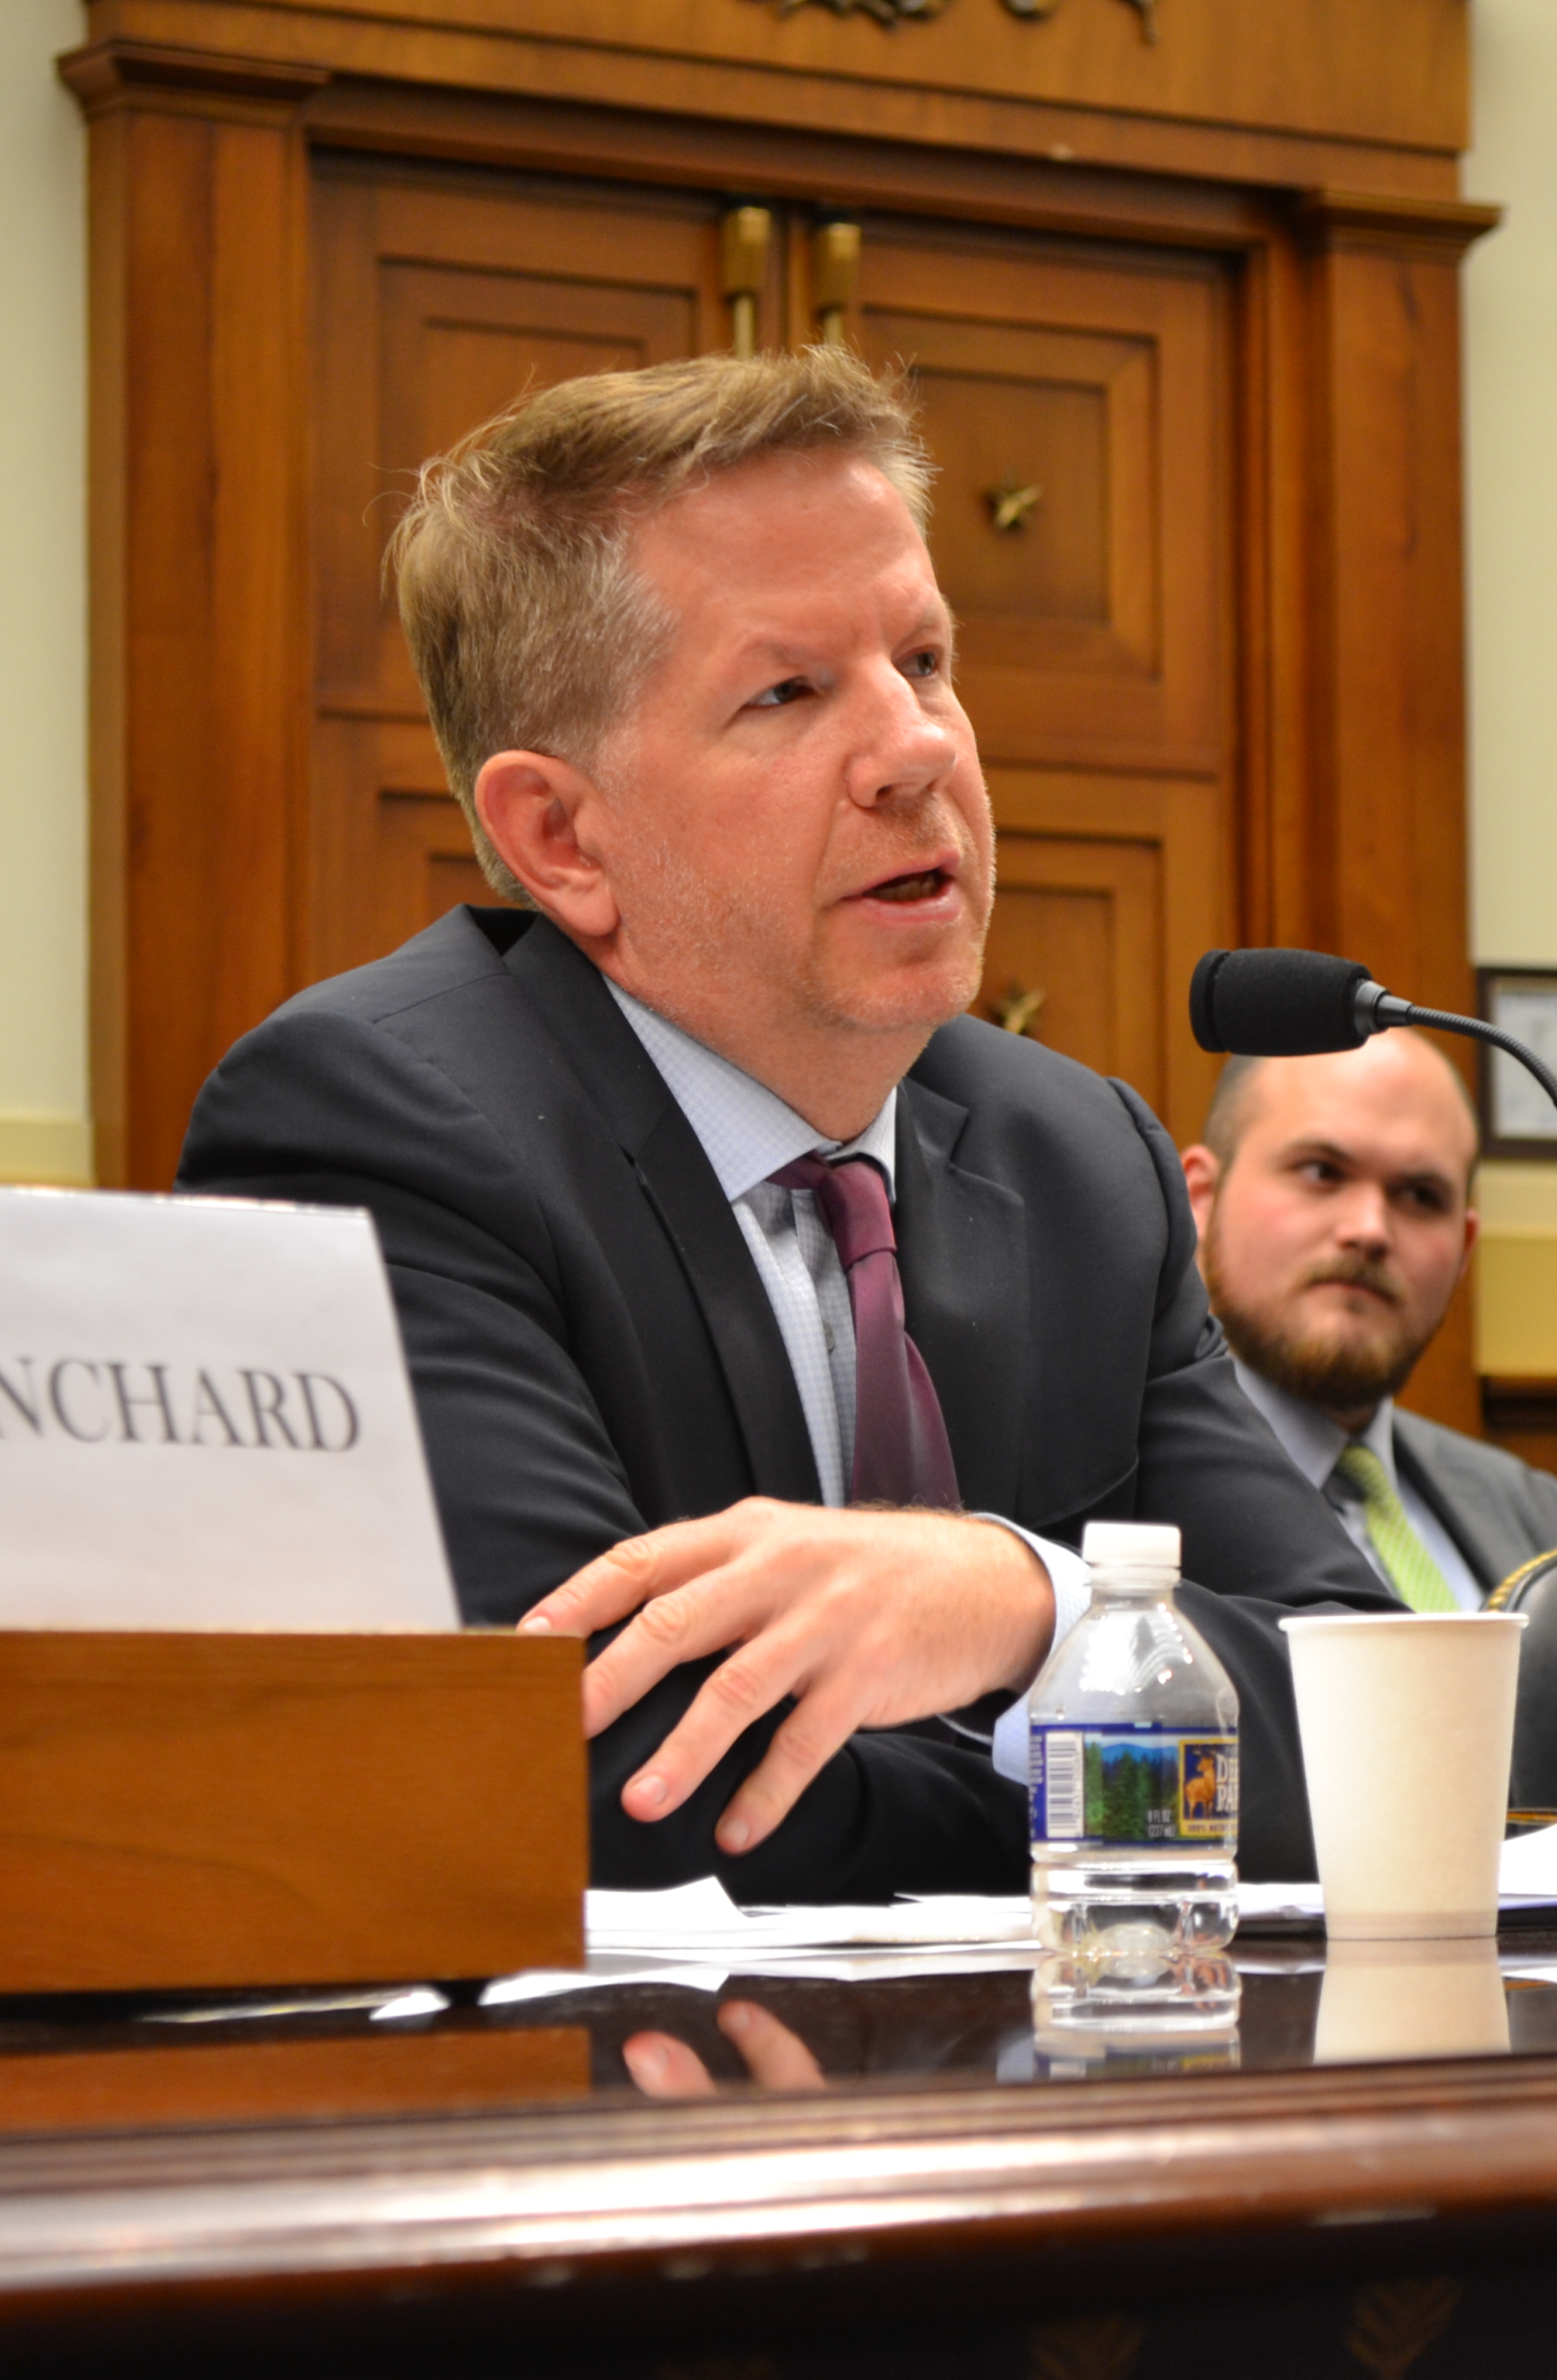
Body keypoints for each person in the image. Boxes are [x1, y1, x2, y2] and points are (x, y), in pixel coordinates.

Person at [175, 346, 1392, 1900]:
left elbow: (1374, 1715)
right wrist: (1102, 1756)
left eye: (928, 660)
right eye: (789, 691)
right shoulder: (385, 1127)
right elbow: (617, 1781)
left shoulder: (1079, 1156)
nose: (920, 750)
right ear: (561, 837)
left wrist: (1023, 1606)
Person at [1180, 1041, 1557, 1609]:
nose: (1370, 1230)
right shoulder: (1105, 1496)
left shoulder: (1531, 1511)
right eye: (1322, 1172)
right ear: (1200, 1199)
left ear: (1465, 1250)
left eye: (1420, 1196)